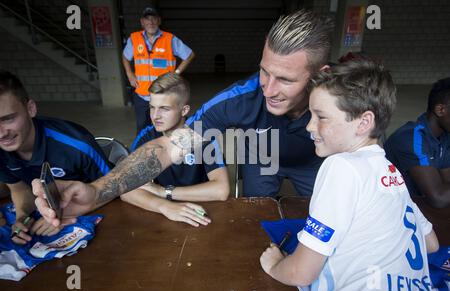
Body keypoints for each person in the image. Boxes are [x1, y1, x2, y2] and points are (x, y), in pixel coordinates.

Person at [32, 9, 333, 226]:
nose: (268, 88)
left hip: (312, 162)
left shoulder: (344, 103)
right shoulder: (239, 100)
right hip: (261, 155)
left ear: (320, 77)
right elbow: (170, 145)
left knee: (324, 214)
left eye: (285, 79)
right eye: (264, 71)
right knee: (258, 216)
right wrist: (98, 191)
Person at [259, 60, 440, 291]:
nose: (310, 126)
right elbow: (431, 244)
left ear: (364, 122)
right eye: (311, 115)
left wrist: (274, 265)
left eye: (321, 117)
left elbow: (301, 273)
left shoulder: (341, 166)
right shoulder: (390, 172)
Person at [0, 70, 111, 244]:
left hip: (99, 221)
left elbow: (116, 188)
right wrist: (22, 218)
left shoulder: (77, 144)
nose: (1, 134)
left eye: (7, 119)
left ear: (30, 109)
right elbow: (19, 188)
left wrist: (66, 213)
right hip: (48, 219)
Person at [121, 73, 229, 227]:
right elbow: (124, 189)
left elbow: (221, 189)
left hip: (203, 210)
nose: (155, 116)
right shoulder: (146, 136)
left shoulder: (202, 133)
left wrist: (165, 192)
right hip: (165, 212)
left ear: (184, 110)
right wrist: (164, 205)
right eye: (152, 107)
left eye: (164, 108)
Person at [122, 5, 195, 134]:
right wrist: (129, 73)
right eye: (147, 19)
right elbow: (125, 57)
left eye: (154, 18)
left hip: (164, 95)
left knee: (168, 127)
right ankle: (145, 151)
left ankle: (167, 150)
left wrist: (176, 73)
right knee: (142, 129)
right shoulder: (134, 39)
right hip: (142, 95)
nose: (151, 22)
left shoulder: (170, 39)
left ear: (159, 21)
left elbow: (189, 55)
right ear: (142, 22)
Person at [384, 78, 450, 208]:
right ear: (441, 110)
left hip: (416, 207)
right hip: (392, 212)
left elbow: (447, 182)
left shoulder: (444, 137)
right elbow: (438, 198)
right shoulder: (411, 138)